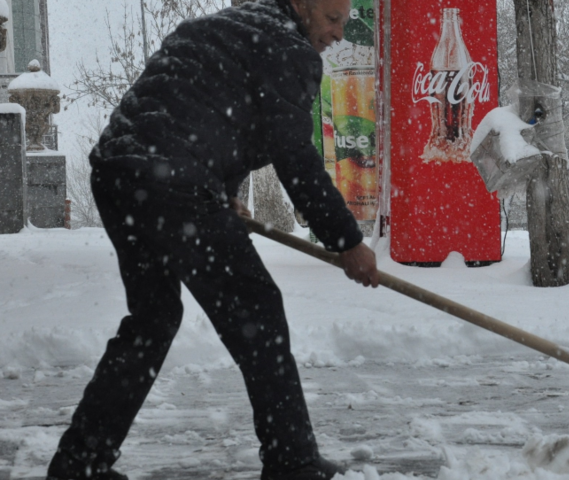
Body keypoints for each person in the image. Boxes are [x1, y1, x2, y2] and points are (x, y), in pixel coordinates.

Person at [46, 0, 378, 479]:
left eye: (344, 21)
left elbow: (200, 113)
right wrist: (346, 241)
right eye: (331, 19)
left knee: (153, 319)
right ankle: (292, 461)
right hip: (171, 182)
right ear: (302, 5)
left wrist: (220, 193)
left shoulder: (221, 27)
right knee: (257, 313)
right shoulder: (287, 48)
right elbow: (294, 156)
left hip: (120, 174)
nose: (339, 34)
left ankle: (79, 464)